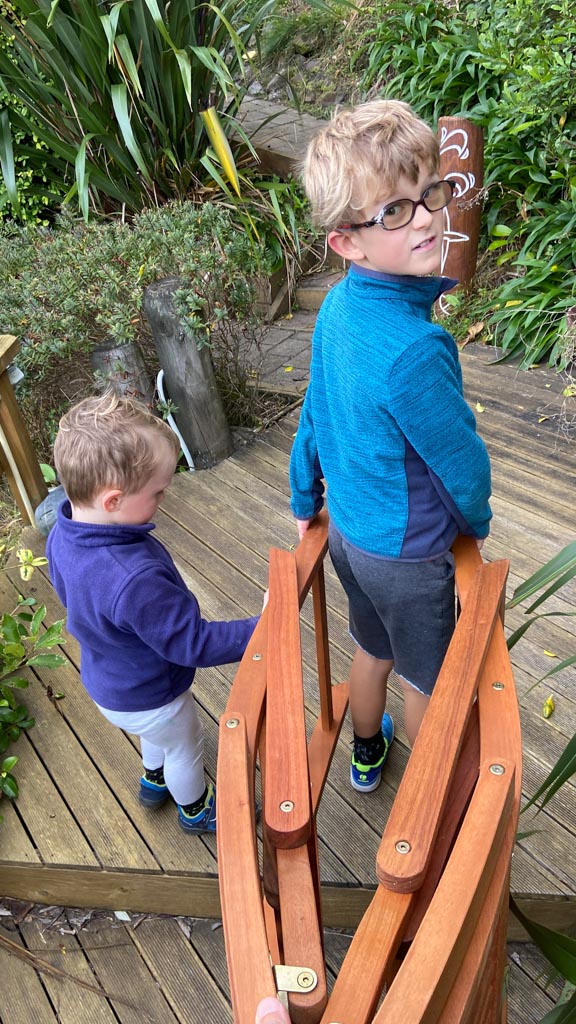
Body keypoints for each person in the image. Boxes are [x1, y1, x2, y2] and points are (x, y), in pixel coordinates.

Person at [290, 99, 492, 793]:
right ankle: (430, 796)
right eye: (395, 211)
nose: (428, 218)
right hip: (407, 556)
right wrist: (476, 523)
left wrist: (303, 498)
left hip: (350, 535)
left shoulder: (336, 306)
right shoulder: (416, 347)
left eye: (431, 192)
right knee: (427, 678)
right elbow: (460, 461)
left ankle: (367, 749)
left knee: (371, 648)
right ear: (347, 242)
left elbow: (313, 410)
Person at [46, 392, 262, 834]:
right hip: (153, 693)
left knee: (157, 735)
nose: (164, 498)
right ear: (112, 500)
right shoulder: (133, 578)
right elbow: (193, 643)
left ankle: (154, 778)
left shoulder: (63, 531)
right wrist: (263, 627)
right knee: (184, 744)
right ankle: (196, 810)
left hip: (108, 680)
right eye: (157, 492)